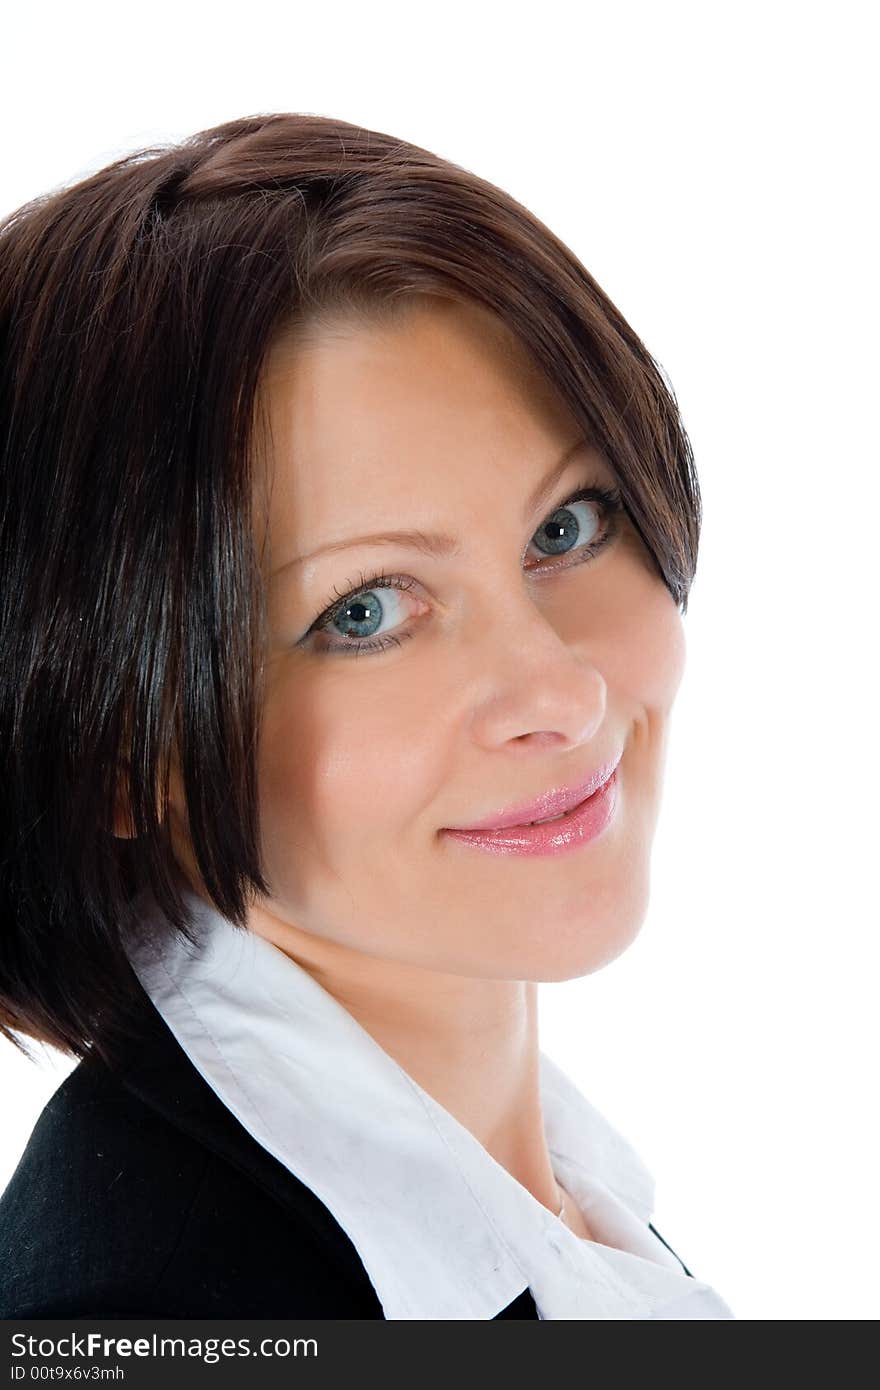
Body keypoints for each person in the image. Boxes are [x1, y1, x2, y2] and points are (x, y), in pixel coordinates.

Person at [0, 111, 733, 1319]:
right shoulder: (148, 1313)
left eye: (565, 527)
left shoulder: (533, 1190)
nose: (563, 691)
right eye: (365, 612)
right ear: (115, 753)